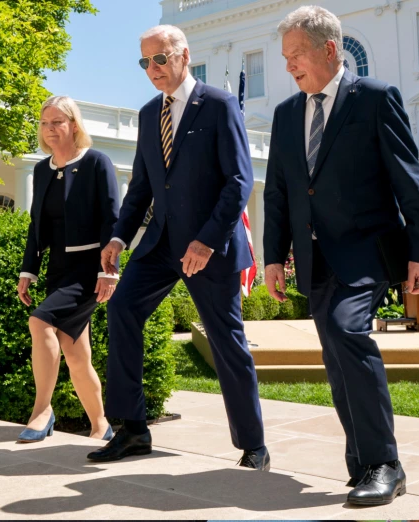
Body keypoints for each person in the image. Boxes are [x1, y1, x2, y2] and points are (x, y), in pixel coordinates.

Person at [263, 6, 419, 506]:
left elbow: (409, 177)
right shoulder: (285, 113)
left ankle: (387, 463)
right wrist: (273, 256)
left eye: (296, 54)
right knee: (336, 359)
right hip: (315, 259)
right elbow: (279, 191)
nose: (290, 65)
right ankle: (364, 464)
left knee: (346, 331)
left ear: (329, 49)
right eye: (286, 57)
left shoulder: (377, 99)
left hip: (366, 250)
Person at [91, 25, 268, 470]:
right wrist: (118, 236)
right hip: (161, 245)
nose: (153, 69)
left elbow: (238, 181)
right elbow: (144, 186)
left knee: (227, 341)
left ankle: (254, 446)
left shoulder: (221, 104)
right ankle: (132, 430)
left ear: (184, 55)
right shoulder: (150, 113)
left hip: (209, 247)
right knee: (123, 308)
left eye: (161, 58)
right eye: (145, 62)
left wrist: (208, 241)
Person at [17, 96, 120, 443]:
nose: (50, 129)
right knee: (76, 354)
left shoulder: (96, 163)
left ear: (74, 125)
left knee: (39, 321)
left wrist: (110, 271)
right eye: (45, 123)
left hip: (90, 269)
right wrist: (28, 271)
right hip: (57, 270)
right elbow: (36, 225)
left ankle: (42, 411)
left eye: (57, 122)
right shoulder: (41, 169)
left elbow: (112, 219)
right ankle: (101, 424)